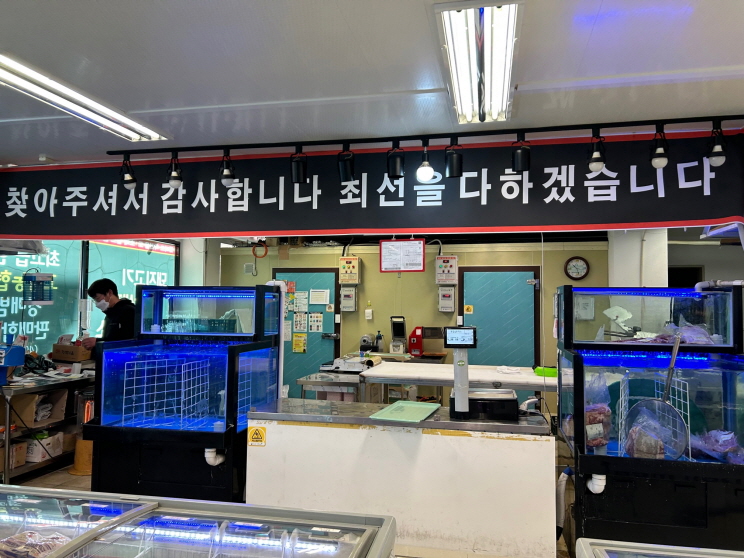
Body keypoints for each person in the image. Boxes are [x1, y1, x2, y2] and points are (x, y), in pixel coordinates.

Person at [81, 279, 136, 349]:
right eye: (94, 300)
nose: (97, 304)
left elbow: (128, 341)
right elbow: (109, 338)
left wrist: (97, 342)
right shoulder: (110, 315)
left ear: (109, 293)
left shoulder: (129, 311)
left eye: (97, 298)